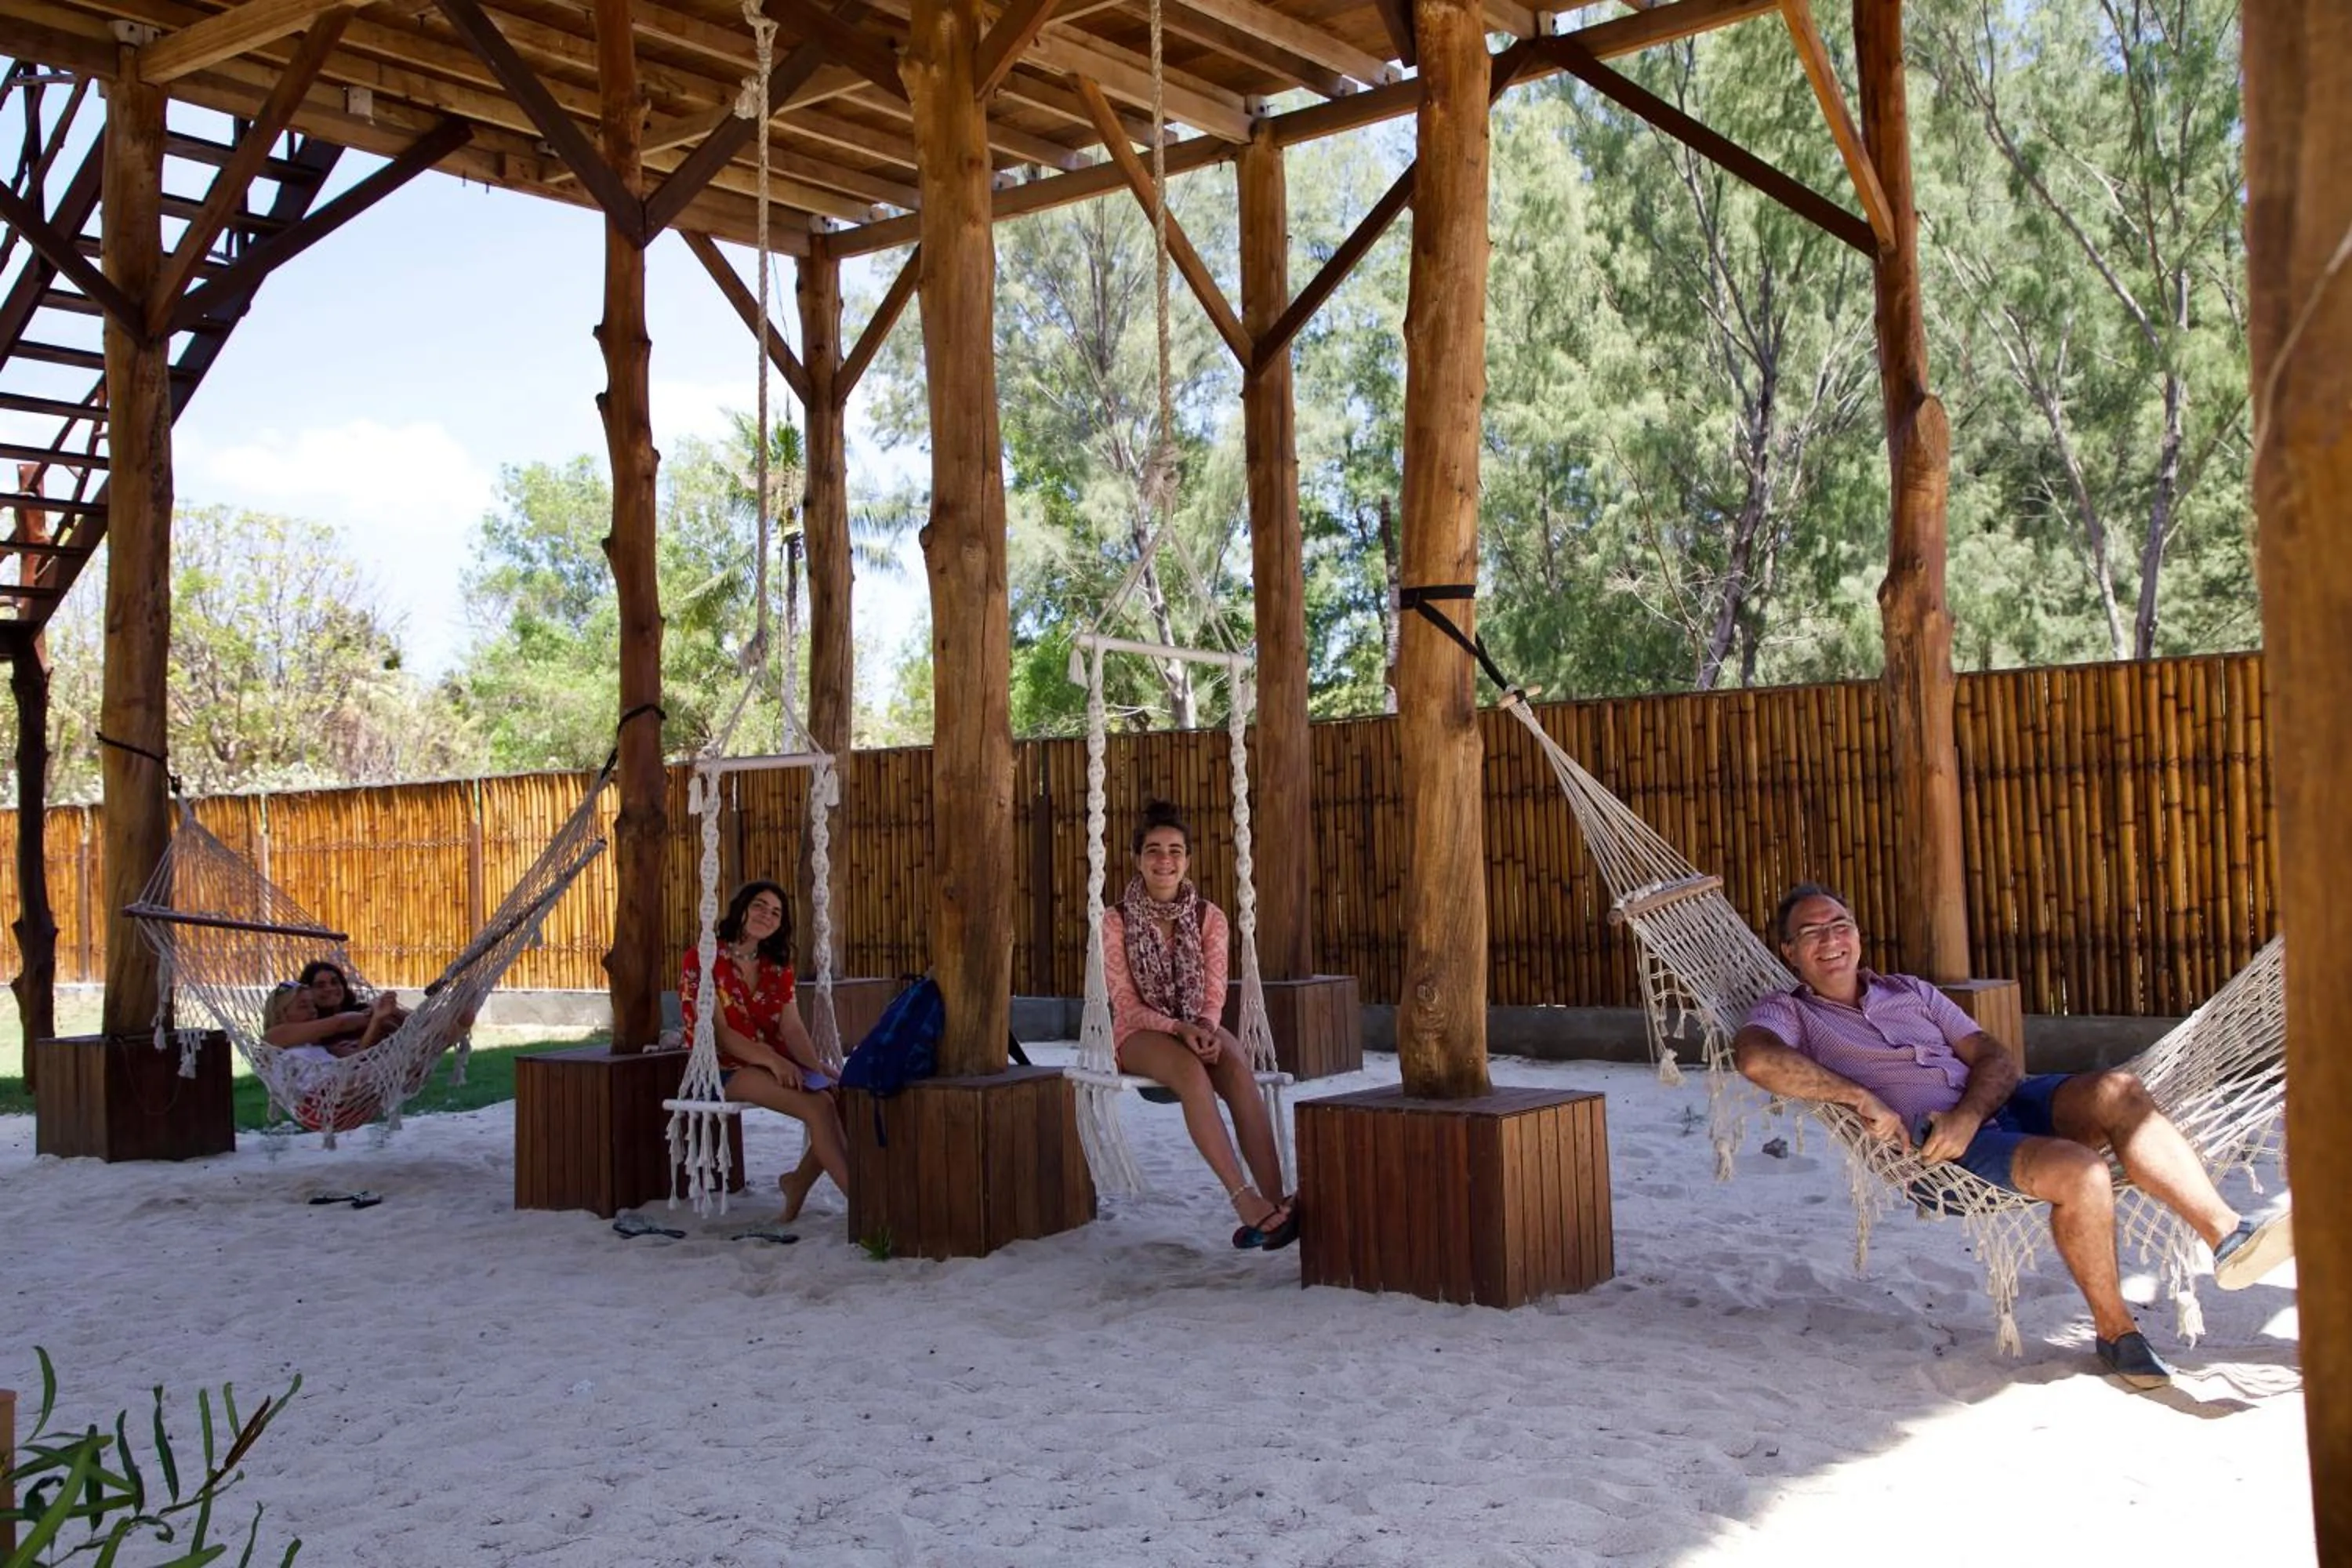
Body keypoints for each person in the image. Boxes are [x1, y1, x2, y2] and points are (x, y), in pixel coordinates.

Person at [1732, 882, 2294, 1389]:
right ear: (1789, 952)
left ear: (1856, 934)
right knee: (2084, 1173)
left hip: (1995, 1106)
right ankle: (2118, 1333)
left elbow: (1993, 1056)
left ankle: (2228, 1235)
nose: (1830, 941)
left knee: (2120, 1090)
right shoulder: (1791, 1013)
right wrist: (1860, 1097)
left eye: (1840, 926)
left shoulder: (1911, 991)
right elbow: (1756, 1058)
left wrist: (1972, 1112)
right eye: (1811, 933)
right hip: (1940, 1153)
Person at [1102, 799, 1298, 1250]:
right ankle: (1244, 1198)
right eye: (1153, 850)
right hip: (1138, 1035)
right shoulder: (1115, 921)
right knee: (1192, 1072)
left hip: (1196, 1023)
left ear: (1188, 860)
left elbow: (1214, 992)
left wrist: (1205, 1027)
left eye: (1174, 850)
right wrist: (1178, 1031)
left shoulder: (1211, 917)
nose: (1164, 860)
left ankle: (1274, 1196)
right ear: (1137, 859)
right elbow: (1126, 1005)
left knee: (1234, 1060)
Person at [680, 879, 850, 1222]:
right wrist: (773, 1061)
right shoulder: (704, 958)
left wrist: (817, 1069)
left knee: (841, 1093)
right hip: (720, 1069)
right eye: (759, 905)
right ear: (742, 908)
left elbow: (792, 1027)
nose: (766, 915)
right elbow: (722, 1036)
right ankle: (865, 1204)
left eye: (775, 912)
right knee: (818, 1106)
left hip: (772, 1063)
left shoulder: (775, 965)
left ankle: (797, 1183)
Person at [262, 979, 401, 1061]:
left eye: (313, 1005)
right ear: (280, 1015)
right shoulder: (274, 1037)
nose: (313, 1011)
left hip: (345, 1098)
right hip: (328, 1102)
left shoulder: (319, 1047)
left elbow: (358, 1059)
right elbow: (339, 1023)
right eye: (303, 1006)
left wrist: (378, 1019)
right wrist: (371, 1015)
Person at [299, 960, 408, 1040]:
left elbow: (412, 1023)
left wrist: (392, 1010)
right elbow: (357, 1058)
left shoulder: (362, 1009)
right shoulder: (314, 1027)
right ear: (308, 992)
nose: (330, 988)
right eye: (320, 985)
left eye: (335, 982)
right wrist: (376, 1021)